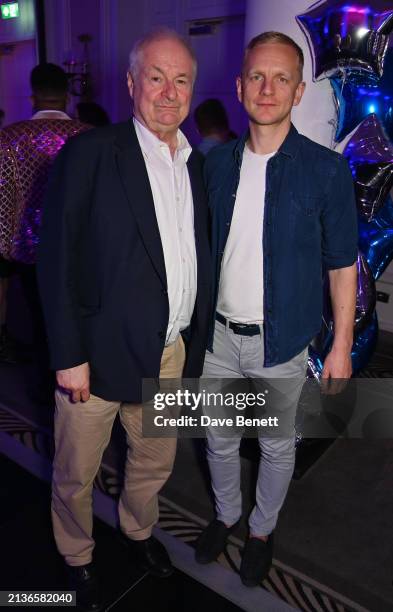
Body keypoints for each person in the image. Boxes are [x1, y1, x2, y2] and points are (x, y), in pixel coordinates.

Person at [37, 28, 210, 611]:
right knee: (75, 472)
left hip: (167, 353)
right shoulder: (90, 152)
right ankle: (78, 557)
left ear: (193, 89)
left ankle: (138, 532)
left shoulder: (196, 165)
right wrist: (67, 355)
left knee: (154, 460)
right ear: (132, 83)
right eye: (155, 77)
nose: (168, 92)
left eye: (180, 80)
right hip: (95, 352)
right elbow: (56, 258)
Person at [195, 31, 358, 587]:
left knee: (275, 445)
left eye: (281, 78)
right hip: (216, 338)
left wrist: (339, 347)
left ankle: (261, 530)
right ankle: (225, 515)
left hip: (282, 340)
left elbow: (342, 264)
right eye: (257, 78)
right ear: (240, 88)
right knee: (215, 436)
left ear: (298, 91)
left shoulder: (326, 171)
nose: (268, 89)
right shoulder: (213, 165)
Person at [0, 64, 88, 370]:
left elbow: (3, 199)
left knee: (38, 322)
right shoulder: (89, 136)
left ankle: (43, 388)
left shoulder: (9, 138)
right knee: (74, 323)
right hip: (79, 250)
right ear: (66, 96)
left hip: (26, 250)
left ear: (33, 96)